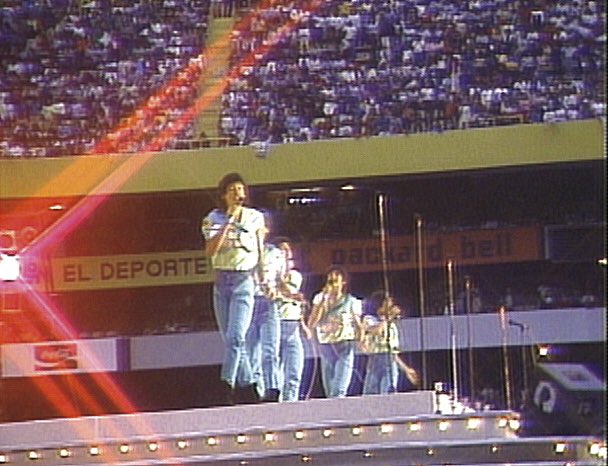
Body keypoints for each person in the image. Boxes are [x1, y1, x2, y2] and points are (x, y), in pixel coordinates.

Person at [201, 172, 265, 404]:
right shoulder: (213, 218)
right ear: (224, 195)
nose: (238, 194)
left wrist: (264, 278)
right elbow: (210, 250)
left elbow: (259, 250)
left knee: (237, 336)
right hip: (221, 282)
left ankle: (225, 384)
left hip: (243, 281)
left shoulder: (255, 217)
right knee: (230, 340)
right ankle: (249, 388)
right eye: (232, 190)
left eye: (241, 189)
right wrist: (228, 222)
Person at [307, 266, 362, 398]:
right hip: (326, 346)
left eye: (335, 281)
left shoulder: (351, 301)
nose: (331, 284)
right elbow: (312, 323)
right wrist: (323, 301)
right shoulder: (320, 299)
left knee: (339, 389)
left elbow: (358, 325)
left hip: (345, 346)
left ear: (343, 282)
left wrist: (361, 338)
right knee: (329, 389)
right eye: (329, 281)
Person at [245, 223, 286, 402]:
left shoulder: (277, 254)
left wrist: (281, 291)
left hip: (268, 304)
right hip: (248, 303)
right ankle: (256, 391)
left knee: (270, 350)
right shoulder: (244, 251)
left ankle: (272, 389)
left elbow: (280, 280)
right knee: (251, 351)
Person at [359, 291, 419, 394]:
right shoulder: (369, 319)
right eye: (388, 303)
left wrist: (406, 370)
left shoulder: (391, 326)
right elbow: (376, 331)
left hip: (389, 361)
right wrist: (388, 318)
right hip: (375, 361)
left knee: (387, 392)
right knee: (370, 394)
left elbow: (393, 353)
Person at [275, 239, 311, 402]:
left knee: (295, 370)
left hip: (293, 325)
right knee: (277, 372)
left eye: (288, 251)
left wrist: (303, 324)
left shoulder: (295, 275)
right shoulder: (266, 275)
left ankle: (292, 403)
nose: (287, 254)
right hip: (276, 324)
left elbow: (291, 293)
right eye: (282, 251)